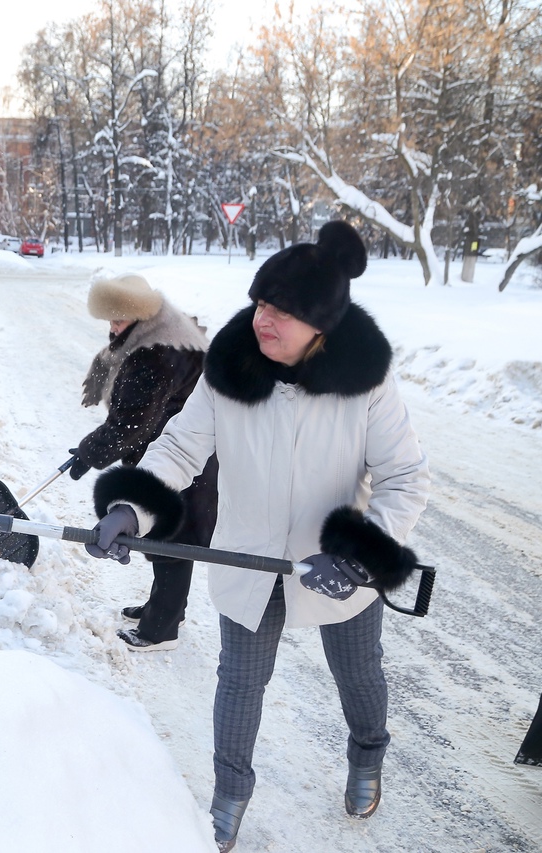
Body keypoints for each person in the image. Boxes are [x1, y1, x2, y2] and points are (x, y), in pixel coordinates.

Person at [83, 221, 430, 851]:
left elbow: (404, 476)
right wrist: (132, 505)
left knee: (358, 674)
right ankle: (230, 794)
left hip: (336, 568)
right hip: (248, 556)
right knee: (240, 682)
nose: (263, 319)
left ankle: (368, 751)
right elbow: (182, 446)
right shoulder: (229, 371)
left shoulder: (367, 383)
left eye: (283, 312)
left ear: (320, 325)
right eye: (262, 303)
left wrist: (359, 555)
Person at [69, 272, 218, 652]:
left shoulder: (154, 354)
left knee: (172, 541)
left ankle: (160, 630)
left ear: (141, 315)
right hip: (173, 448)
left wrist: (90, 452)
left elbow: (132, 421)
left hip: (183, 457)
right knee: (162, 536)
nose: (113, 328)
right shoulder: (166, 327)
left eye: (119, 320)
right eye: (111, 319)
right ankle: (161, 607)